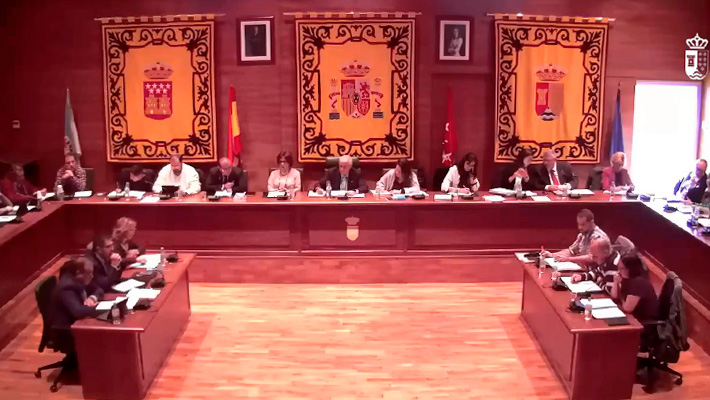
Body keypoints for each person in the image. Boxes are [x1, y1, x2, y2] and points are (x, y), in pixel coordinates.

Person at [49, 257, 103, 331]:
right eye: (89, 273)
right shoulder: (66, 287)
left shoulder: (79, 278)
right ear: (79, 273)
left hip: (77, 323)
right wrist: (99, 307)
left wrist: (92, 298)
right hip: (65, 330)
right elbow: (78, 312)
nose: (92, 276)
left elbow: (99, 289)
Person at [543, 208, 608, 265]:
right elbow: (571, 251)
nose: (580, 227)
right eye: (578, 224)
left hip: (598, 271)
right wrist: (552, 255)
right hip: (584, 269)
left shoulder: (598, 237)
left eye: (583, 224)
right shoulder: (582, 235)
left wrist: (569, 259)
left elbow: (592, 258)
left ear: (591, 222)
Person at [611, 254, 659, 321]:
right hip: (634, 317)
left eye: (621, 268)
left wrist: (621, 288)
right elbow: (614, 296)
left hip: (644, 322)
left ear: (630, 269)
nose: (618, 271)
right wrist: (616, 282)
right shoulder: (626, 279)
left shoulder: (638, 283)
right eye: (618, 267)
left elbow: (627, 308)